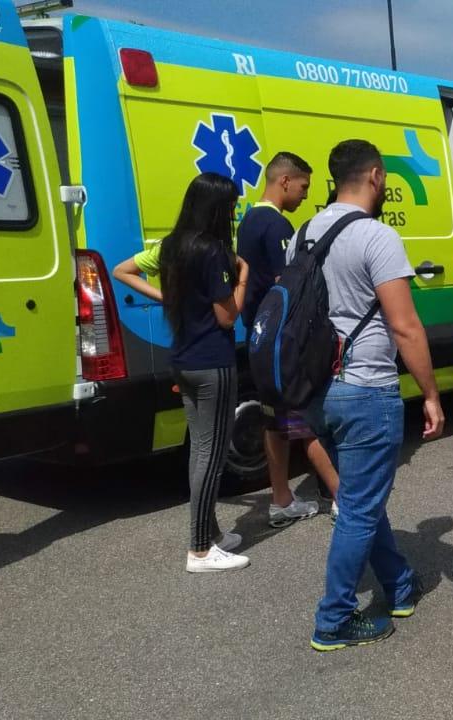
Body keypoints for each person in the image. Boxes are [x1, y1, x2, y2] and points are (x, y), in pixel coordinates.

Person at [297, 140, 444, 651]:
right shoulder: (377, 236)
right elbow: (405, 327)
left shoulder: (305, 233)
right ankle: (333, 620)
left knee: (361, 496)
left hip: (320, 388)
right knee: (359, 508)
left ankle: (399, 586)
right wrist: (430, 393)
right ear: (377, 176)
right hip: (366, 388)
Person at [236, 151, 341, 527]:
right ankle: (341, 498)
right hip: (286, 342)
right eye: (302, 186)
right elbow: (290, 286)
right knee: (306, 419)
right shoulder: (278, 227)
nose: (303, 195)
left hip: (260, 337)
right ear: (284, 181)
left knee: (274, 420)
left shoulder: (247, 221)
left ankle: (281, 497)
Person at [156, 172, 253, 573]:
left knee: (200, 448)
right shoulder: (214, 251)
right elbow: (227, 316)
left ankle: (210, 533)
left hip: (183, 356)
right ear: (216, 208)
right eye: (230, 206)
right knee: (211, 456)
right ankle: (199, 549)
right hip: (213, 361)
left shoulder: (171, 245)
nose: (232, 213)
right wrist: (244, 275)